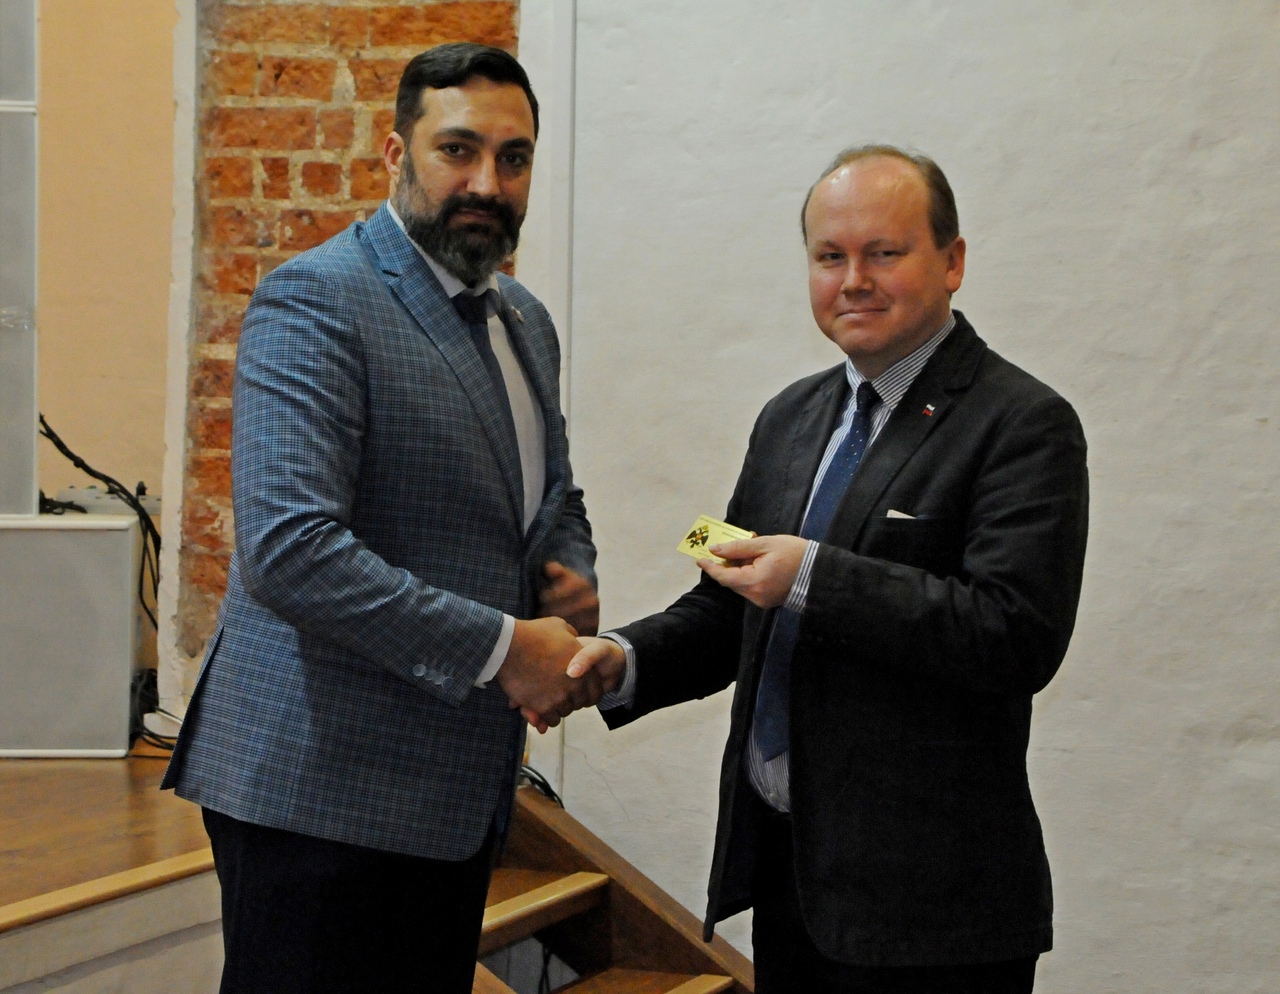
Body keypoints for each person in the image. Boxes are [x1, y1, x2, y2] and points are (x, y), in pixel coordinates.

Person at [569, 145, 1089, 992]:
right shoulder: (790, 417)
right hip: (791, 879)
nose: (854, 281)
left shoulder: (1023, 423)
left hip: (934, 917)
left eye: (884, 252)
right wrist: (623, 660)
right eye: (829, 256)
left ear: (952, 261)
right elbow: (728, 605)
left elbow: (1013, 635)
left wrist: (814, 575)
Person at [163, 43, 613, 994]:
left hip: (451, 795)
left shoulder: (525, 319)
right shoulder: (317, 298)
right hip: (319, 797)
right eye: (459, 149)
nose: (487, 183)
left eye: (515, 158)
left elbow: (553, 494)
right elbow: (291, 552)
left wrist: (567, 583)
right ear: (396, 153)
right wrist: (507, 650)